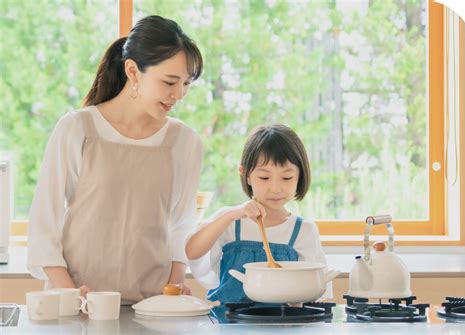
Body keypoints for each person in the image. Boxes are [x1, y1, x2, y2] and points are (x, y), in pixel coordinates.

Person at [27, 15, 203, 304]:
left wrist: (173, 290)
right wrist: (72, 294)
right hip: (76, 304)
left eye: (186, 83)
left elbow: (180, 226)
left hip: (151, 307)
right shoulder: (78, 129)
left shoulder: (185, 142)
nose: (179, 95)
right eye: (170, 82)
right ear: (133, 71)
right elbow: (44, 225)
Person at [185, 124, 331, 303]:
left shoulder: (304, 231)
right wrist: (230, 216)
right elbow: (193, 251)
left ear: (300, 176)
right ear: (245, 174)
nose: (276, 189)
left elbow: (319, 290)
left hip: (282, 326)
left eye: (286, 178)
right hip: (228, 325)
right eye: (264, 177)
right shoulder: (231, 220)